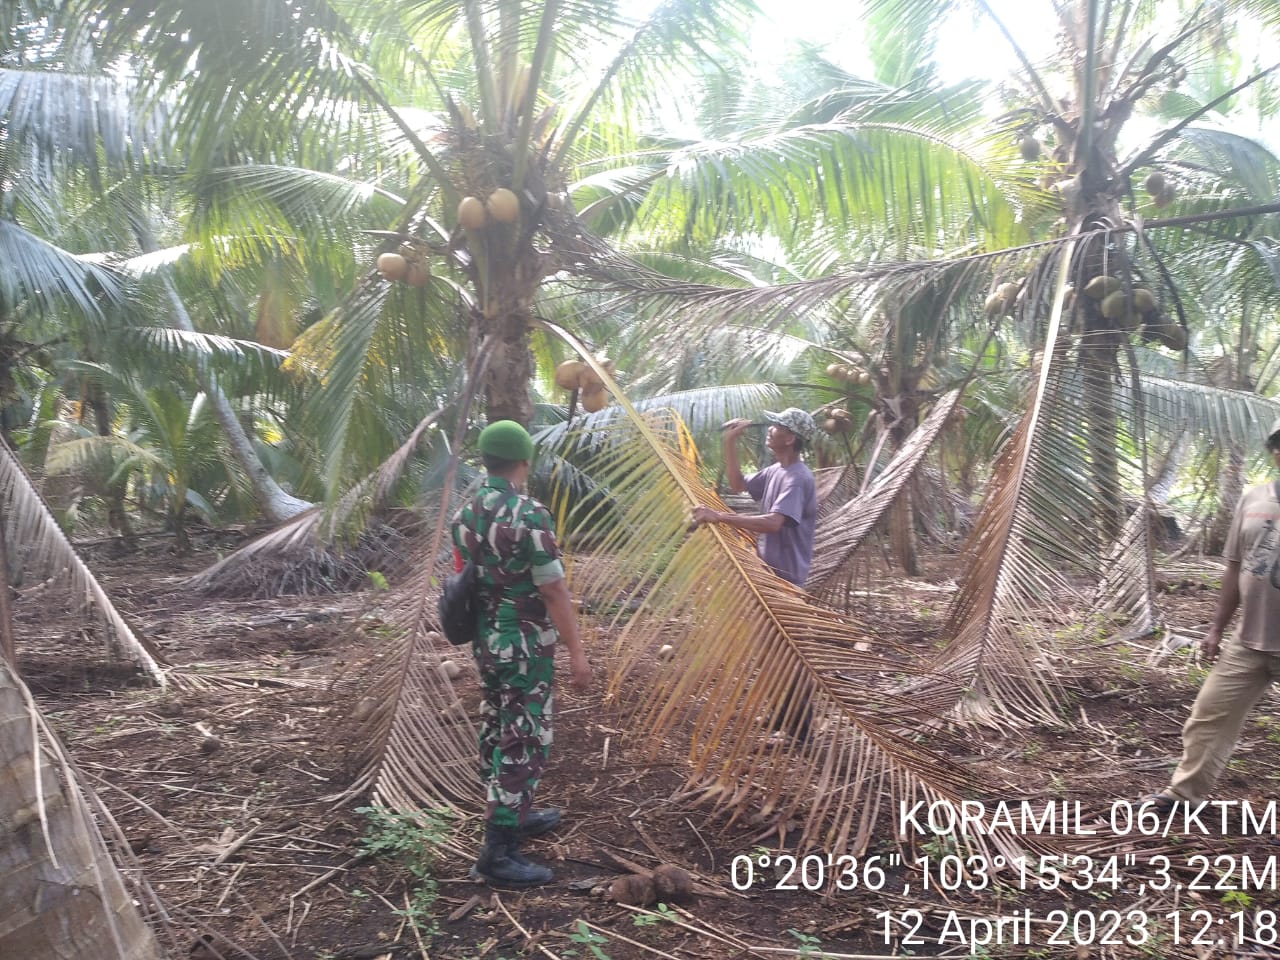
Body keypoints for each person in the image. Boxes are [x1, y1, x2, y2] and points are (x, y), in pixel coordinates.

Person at [450, 420, 592, 887]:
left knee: (497, 724)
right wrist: (577, 652)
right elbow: (552, 589)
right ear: (523, 462)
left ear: (486, 459)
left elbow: (465, 579)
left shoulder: (465, 514)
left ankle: (515, 810)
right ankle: (497, 851)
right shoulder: (528, 514)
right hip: (526, 645)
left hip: (486, 640)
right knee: (524, 737)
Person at [1147, 416, 1280, 814]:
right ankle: (1183, 796)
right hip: (1249, 640)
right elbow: (1235, 567)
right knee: (1208, 717)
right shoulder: (1253, 500)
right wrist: (1216, 629)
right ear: (1275, 453)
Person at [690, 407, 819, 738]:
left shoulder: (797, 478)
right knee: (771, 650)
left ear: (790, 438)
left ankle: (801, 730)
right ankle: (781, 715)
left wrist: (720, 517)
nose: (770, 430)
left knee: (790, 653)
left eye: (777, 427)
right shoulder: (777, 470)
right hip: (768, 570)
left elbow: (775, 523)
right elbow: (738, 484)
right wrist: (730, 443)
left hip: (787, 576)